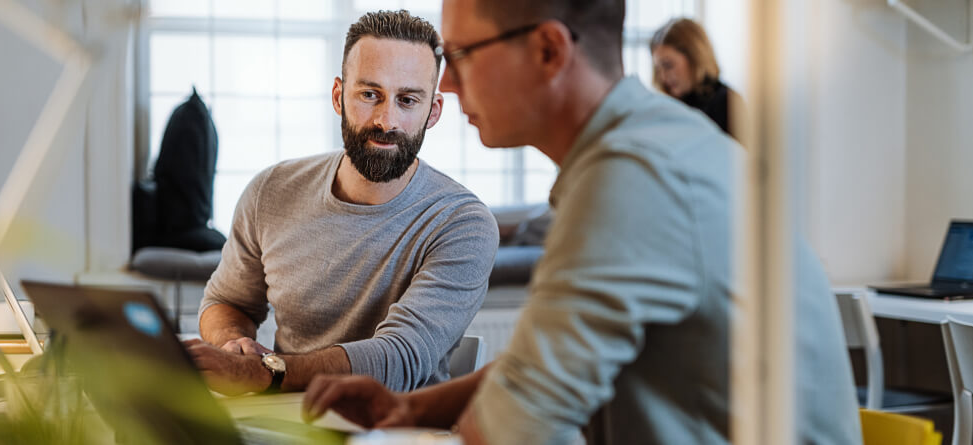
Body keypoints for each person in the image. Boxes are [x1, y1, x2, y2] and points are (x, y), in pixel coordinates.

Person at [301, 0, 862, 444]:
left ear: (549, 50)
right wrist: (408, 408)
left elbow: (513, 429)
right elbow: (532, 371)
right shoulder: (644, 143)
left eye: (463, 53)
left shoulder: (634, 178)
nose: (446, 85)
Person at [184, 9, 499, 397]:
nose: (387, 120)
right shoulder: (271, 191)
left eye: (407, 100)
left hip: (396, 430)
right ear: (338, 96)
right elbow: (227, 301)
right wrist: (233, 344)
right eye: (370, 95)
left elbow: (398, 359)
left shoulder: (463, 224)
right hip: (281, 422)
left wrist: (262, 373)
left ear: (432, 112)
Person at [650, 17, 744, 139]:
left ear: (694, 58)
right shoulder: (668, 106)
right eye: (658, 69)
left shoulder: (728, 103)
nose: (662, 76)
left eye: (668, 65)